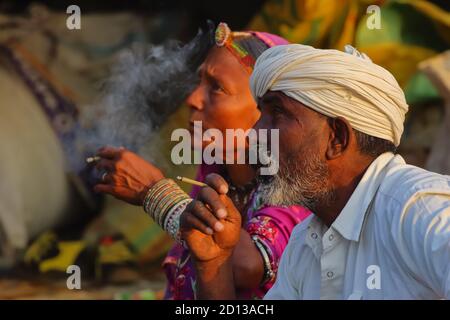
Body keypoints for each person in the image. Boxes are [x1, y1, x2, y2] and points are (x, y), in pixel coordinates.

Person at [180, 44, 450, 299]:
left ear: (337, 138)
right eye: (261, 113)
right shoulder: (305, 245)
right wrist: (214, 263)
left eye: (278, 113)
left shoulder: (418, 208)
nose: (255, 133)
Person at [93, 23, 311, 299]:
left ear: (268, 111)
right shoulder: (218, 172)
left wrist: (155, 193)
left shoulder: (299, 187)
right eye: (199, 82)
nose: (193, 99)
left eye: (216, 88)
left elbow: (247, 265)